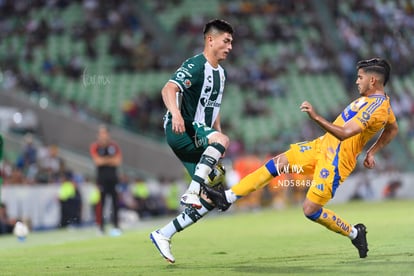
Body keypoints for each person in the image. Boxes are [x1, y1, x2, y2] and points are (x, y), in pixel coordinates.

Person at [203, 58, 399, 259]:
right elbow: (393, 128)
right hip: (322, 146)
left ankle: (355, 233)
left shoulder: (377, 109)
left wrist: (315, 117)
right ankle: (228, 197)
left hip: (336, 162)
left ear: (373, 80)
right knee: (277, 164)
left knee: (310, 210)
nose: (357, 81)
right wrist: (372, 152)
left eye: (360, 77)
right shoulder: (377, 101)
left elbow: (344, 133)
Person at [150, 19, 234, 263]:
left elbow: (214, 107)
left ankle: (163, 234)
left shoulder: (222, 73)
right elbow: (168, 89)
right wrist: (175, 113)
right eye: (226, 41)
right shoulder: (196, 65)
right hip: (181, 128)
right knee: (202, 188)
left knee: (215, 197)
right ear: (210, 40)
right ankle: (191, 190)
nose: (230, 47)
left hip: (200, 134)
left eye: (231, 42)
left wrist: (218, 138)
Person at [90, 125, 123, 236]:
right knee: (101, 204)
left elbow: (118, 161)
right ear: (98, 135)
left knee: (115, 204)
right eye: (101, 133)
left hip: (113, 179)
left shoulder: (114, 146)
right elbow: (97, 161)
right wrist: (110, 160)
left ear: (108, 134)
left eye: (105, 133)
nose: (103, 136)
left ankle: (116, 226)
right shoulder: (95, 146)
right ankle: (101, 227)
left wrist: (104, 160)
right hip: (101, 180)